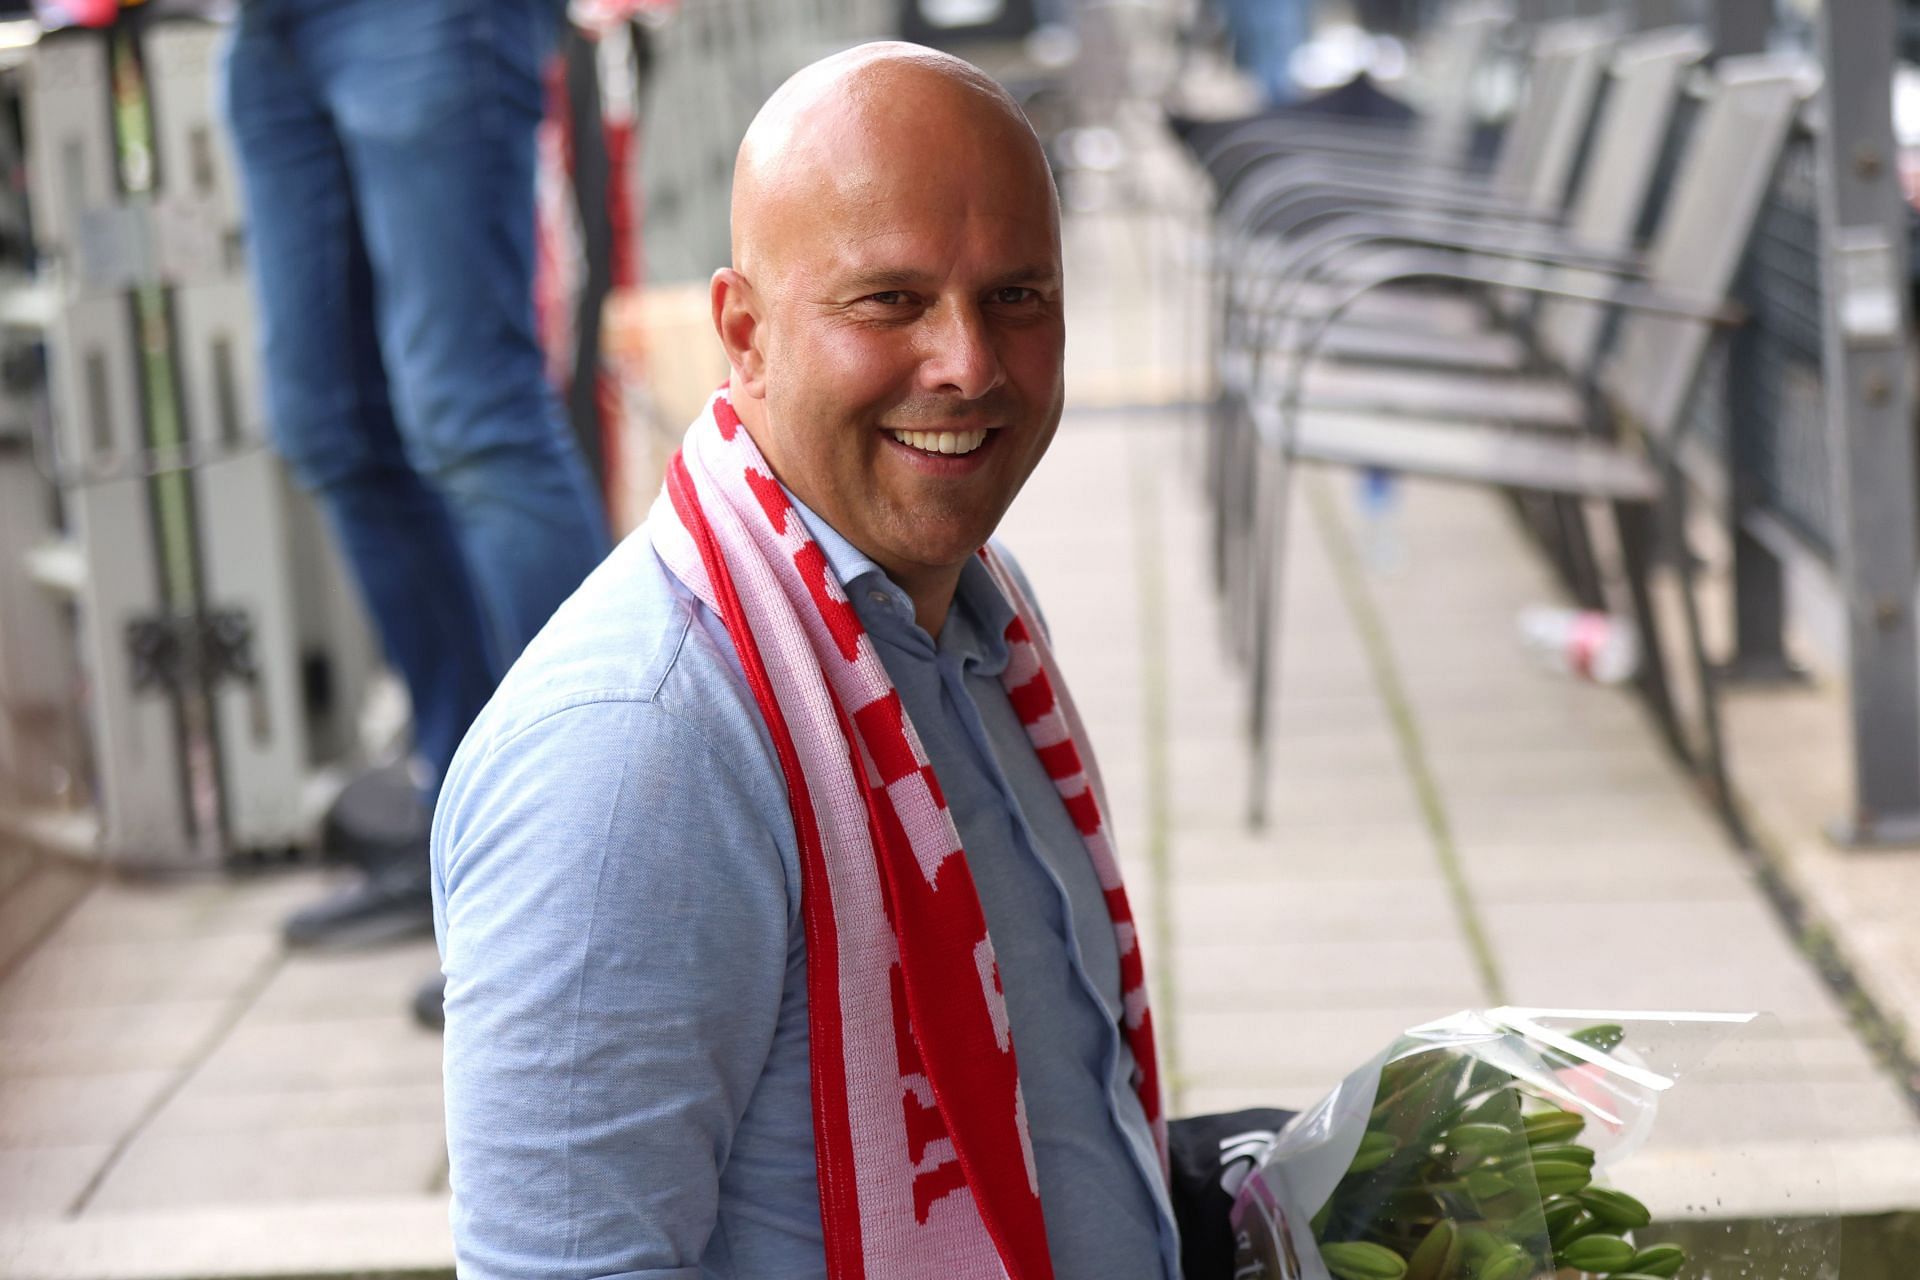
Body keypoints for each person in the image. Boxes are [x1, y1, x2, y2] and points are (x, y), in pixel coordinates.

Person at [431, 41, 1177, 1279]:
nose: (970, 364)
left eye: (1018, 296)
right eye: (890, 299)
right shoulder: (634, 752)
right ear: (746, 333)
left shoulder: (978, 611)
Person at [219, 0, 612, 994]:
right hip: (268, 27)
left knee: (476, 418)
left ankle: (597, 861)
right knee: (330, 427)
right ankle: (470, 840)